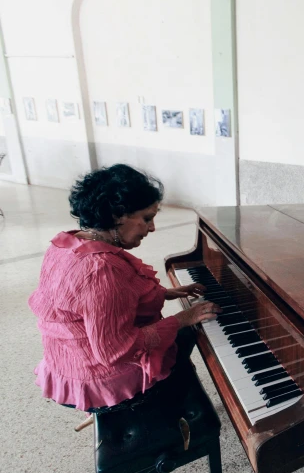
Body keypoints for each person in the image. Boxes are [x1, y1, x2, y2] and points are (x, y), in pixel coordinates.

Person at [28, 164, 221, 413]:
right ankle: (170, 407)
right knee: (190, 332)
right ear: (118, 215)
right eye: (146, 218)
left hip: (66, 361)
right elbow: (115, 351)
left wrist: (167, 293)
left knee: (185, 331)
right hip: (100, 377)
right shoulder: (101, 269)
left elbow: (96, 302)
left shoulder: (67, 243)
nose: (152, 228)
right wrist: (184, 317)